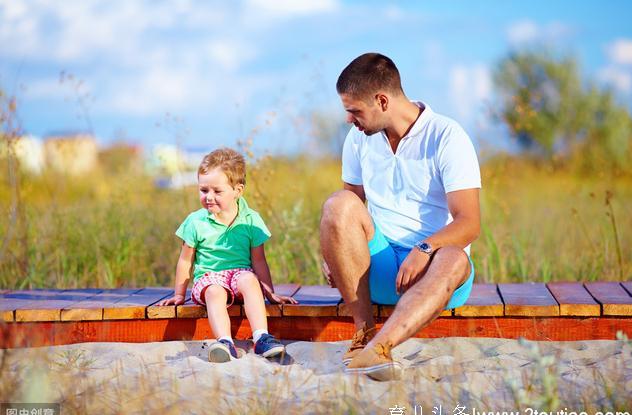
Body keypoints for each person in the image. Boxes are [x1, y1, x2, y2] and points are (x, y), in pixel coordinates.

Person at [320, 53, 481, 380]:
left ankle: (380, 349)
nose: (349, 120)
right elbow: (349, 207)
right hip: (378, 269)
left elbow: (469, 223)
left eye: (354, 110)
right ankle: (363, 333)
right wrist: (333, 253)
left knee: (454, 258)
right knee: (338, 203)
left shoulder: (447, 136)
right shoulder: (358, 138)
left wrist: (423, 250)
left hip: (435, 273)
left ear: (381, 100)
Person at [159, 148, 297, 362]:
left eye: (217, 191)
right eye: (203, 190)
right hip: (208, 277)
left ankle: (261, 337)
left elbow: (259, 260)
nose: (209, 197)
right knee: (215, 292)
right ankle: (225, 342)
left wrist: (270, 293)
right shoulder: (196, 221)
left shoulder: (251, 220)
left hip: (240, 274)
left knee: (250, 279)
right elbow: (186, 260)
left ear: (237, 190)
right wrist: (179, 294)